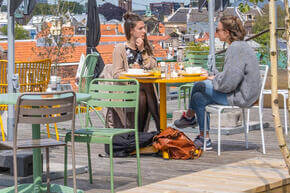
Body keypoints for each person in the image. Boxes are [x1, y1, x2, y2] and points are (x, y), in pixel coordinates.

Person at [173, 14, 262, 149]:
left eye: (218, 30)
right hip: (245, 93)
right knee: (198, 97)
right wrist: (214, 76)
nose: (216, 32)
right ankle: (204, 138)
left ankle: (190, 116)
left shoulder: (235, 48)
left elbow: (229, 83)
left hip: (241, 96)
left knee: (200, 84)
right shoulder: (242, 46)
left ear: (226, 32)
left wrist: (213, 80)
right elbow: (232, 76)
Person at [101, 12, 160, 132]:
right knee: (145, 88)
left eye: (144, 28)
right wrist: (133, 74)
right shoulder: (120, 48)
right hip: (126, 90)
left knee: (144, 91)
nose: (144, 31)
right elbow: (117, 74)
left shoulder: (145, 46)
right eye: (141, 28)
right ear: (131, 31)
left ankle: (138, 135)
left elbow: (153, 66)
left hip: (142, 90)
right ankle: (160, 127)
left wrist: (143, 50)